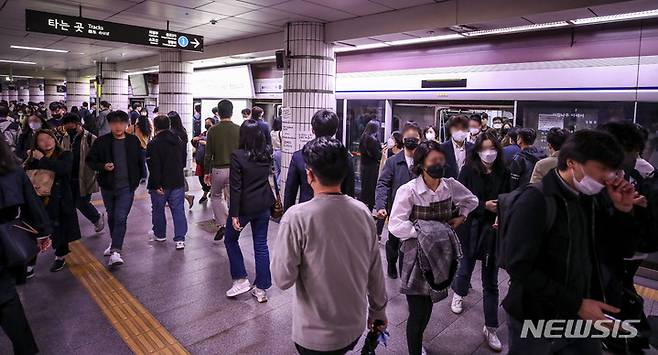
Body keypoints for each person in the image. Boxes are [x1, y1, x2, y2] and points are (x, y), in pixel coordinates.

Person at [502, 130, 638, 354]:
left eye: (612, 169)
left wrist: (624, 211)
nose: (609, 176)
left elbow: (621, 250)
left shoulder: (593, 198)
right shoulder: (535, 200)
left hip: (583, 314)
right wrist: (576, 304)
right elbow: (518, 265)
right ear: (572, 162)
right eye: (601, 168)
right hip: (538, 317)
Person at [272, 137, 388, 354]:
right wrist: (379, 311)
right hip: (353, 328)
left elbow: (282, 279)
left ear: (309, 174)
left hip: (313, 335)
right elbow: (375, 270)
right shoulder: (362, 211)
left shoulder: (297, 217)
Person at [388, 140, 478, 355]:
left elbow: (472, 200)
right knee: (418, 311)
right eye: (433, 160)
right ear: (421, 164)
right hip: (414, 257)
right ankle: (414, 350)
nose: (439, 164)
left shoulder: (450, 185)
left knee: (428, 305)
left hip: (440, 255)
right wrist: (423, 232)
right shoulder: (408, 191)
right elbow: (395, 225)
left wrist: (462, 217)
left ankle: (418, 344)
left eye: (441, 159)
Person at [450, 132, 509, 352]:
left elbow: (508, 198)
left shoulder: (504, 172)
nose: (489, 153)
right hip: (470, 228)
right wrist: (485, 205)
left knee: (490, 280)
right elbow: (460, 200)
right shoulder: (467, 171)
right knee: (464, 268)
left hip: (491, 232)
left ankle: (491, 327)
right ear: (477, 151)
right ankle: (458, 293)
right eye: (484, 148)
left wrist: (500, 214)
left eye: (492, 148)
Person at [0, 138, 52, 355]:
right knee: (7, 301)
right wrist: (43, 232)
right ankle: (26, 349)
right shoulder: (12, 170)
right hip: (5, 242)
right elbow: (31, 202)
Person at [224, 119, 274, 302]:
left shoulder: (238, 156)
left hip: (245, 207)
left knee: (230, 239)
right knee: (261, 245)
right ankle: (261, 289)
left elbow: (236, 187)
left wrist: (234, 214)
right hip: (263, 205)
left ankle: (240, 279)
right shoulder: (266, 154)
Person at [86, 110, 144, 266]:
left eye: (121, 123)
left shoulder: (133, 141)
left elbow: (140, 161)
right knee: (112, 216)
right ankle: (114, 243)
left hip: (127, 187)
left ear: (127, 124)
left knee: (120, 217)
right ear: (110, 124)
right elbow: (90, 161)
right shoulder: (102, 141)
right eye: (114, 123)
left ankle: (116, 251)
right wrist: (103, 166)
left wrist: (138, 179)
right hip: (108, 186)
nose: (118, 126)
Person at [24, 129, 79, 272]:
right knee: (35, 231)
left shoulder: (65, 155)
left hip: (59, 200)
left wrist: (42, 159)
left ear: (55, 139)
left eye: (49, 138)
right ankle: (30, 264)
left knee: (60, 230)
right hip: (38, 201)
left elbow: (62, 169)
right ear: (36, 144)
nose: (46, 142)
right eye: (41, 140)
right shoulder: (31, 159)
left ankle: (60, 257)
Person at [375, 122, 422, 279]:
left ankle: (406, 275)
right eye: (408, 137)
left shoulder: (423, 163)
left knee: (409, 245)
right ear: (402, 138)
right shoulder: (393, 162)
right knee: (393, 243)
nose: (411, 140)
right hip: (396, 211)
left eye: (414, 137)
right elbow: (383, 184)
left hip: (417, 212)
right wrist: (381, 205)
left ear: (420, 140)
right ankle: (391, 263)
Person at [284, 109, 355, 210]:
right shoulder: (345, 156)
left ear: (313, 130)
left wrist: (288, 215)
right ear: (335, 130)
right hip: (337, 212)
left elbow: (290, 192)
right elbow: (349, 191)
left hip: (305, 213)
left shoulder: (299, 157)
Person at [146, 115, 188, 250]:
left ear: (155, 126)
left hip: (161, 183)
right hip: (177, 180)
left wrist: (156, 184)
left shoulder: (153, 143)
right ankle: (180, 239)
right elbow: (183, 160)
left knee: (158, 209)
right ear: (169, 125)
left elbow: (154, 165)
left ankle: (160, 234)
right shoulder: (178, 140)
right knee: (178, 210)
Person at [59, 113, 104, 233]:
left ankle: (96, 217)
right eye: (66, 124)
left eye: (71, 124)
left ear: (78, 123)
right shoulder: (65, 137)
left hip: (85, 176)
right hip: (69, 177)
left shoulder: (90, 138)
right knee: (71, 204)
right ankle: (71, 229)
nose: (68, 126)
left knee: (82, 203)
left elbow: (98, 157)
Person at [204, 99, 241, 241]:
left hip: (218, 169)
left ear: (218, 113)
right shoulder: (239, 129)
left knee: (216, 196)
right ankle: (234, 222)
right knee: (233, 197)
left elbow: (208, 154)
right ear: (232, 112)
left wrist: (207, 172)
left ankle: (223, 223)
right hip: (234, 170)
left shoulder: (213, 130)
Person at [168, 111, 195, 208]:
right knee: (177, 178)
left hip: (172, 159)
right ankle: (186, 197)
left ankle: (185, 197)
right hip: (181, 158)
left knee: (174, 180)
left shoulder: (171, 133)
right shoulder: (182, 131)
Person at [441, 115, 474, 179]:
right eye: (456, 128)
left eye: (463, 128)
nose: (460, 131)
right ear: (450, 130)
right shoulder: (442, 148)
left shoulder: (473, 148)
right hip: (448, 185)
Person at [359, 120, 382, 210]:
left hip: (364, 165)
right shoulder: (373, 140)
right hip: (372, 167)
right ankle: (371, 208)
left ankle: (363, 207)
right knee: (372, 188)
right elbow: (377, 155)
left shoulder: (363, 137)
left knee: (365, 187)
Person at [192, 118, 214, 204]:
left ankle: (205, 195)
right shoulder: (203, 134)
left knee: (209, 178)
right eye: (206, 123)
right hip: (200, 161)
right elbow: (195, 143)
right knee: (201, 178)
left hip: (210, 162)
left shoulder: (215, 134)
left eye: (208, 123)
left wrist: (206, 143)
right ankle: (208, 192)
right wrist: (195, 140)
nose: (207, 125)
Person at [271, 116, 282, 185]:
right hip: (280, 152)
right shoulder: (281, 133)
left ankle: (276, 187)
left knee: (276, 171)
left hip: (274, 152)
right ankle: (278, 185)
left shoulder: (272, 132)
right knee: (283, 170)